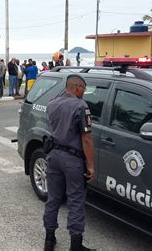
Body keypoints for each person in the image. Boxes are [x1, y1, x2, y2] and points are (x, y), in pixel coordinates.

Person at [43, 75, 95, 251]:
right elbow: (86, 138)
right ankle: (76, 245)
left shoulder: (52, 103)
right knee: (75, 200)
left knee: (53, 199)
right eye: (84, 89)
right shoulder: (81, 106)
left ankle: (49, 240)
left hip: (53, 156)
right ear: (78, 87)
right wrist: (91, 166)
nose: (84, 93)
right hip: (72, 159)